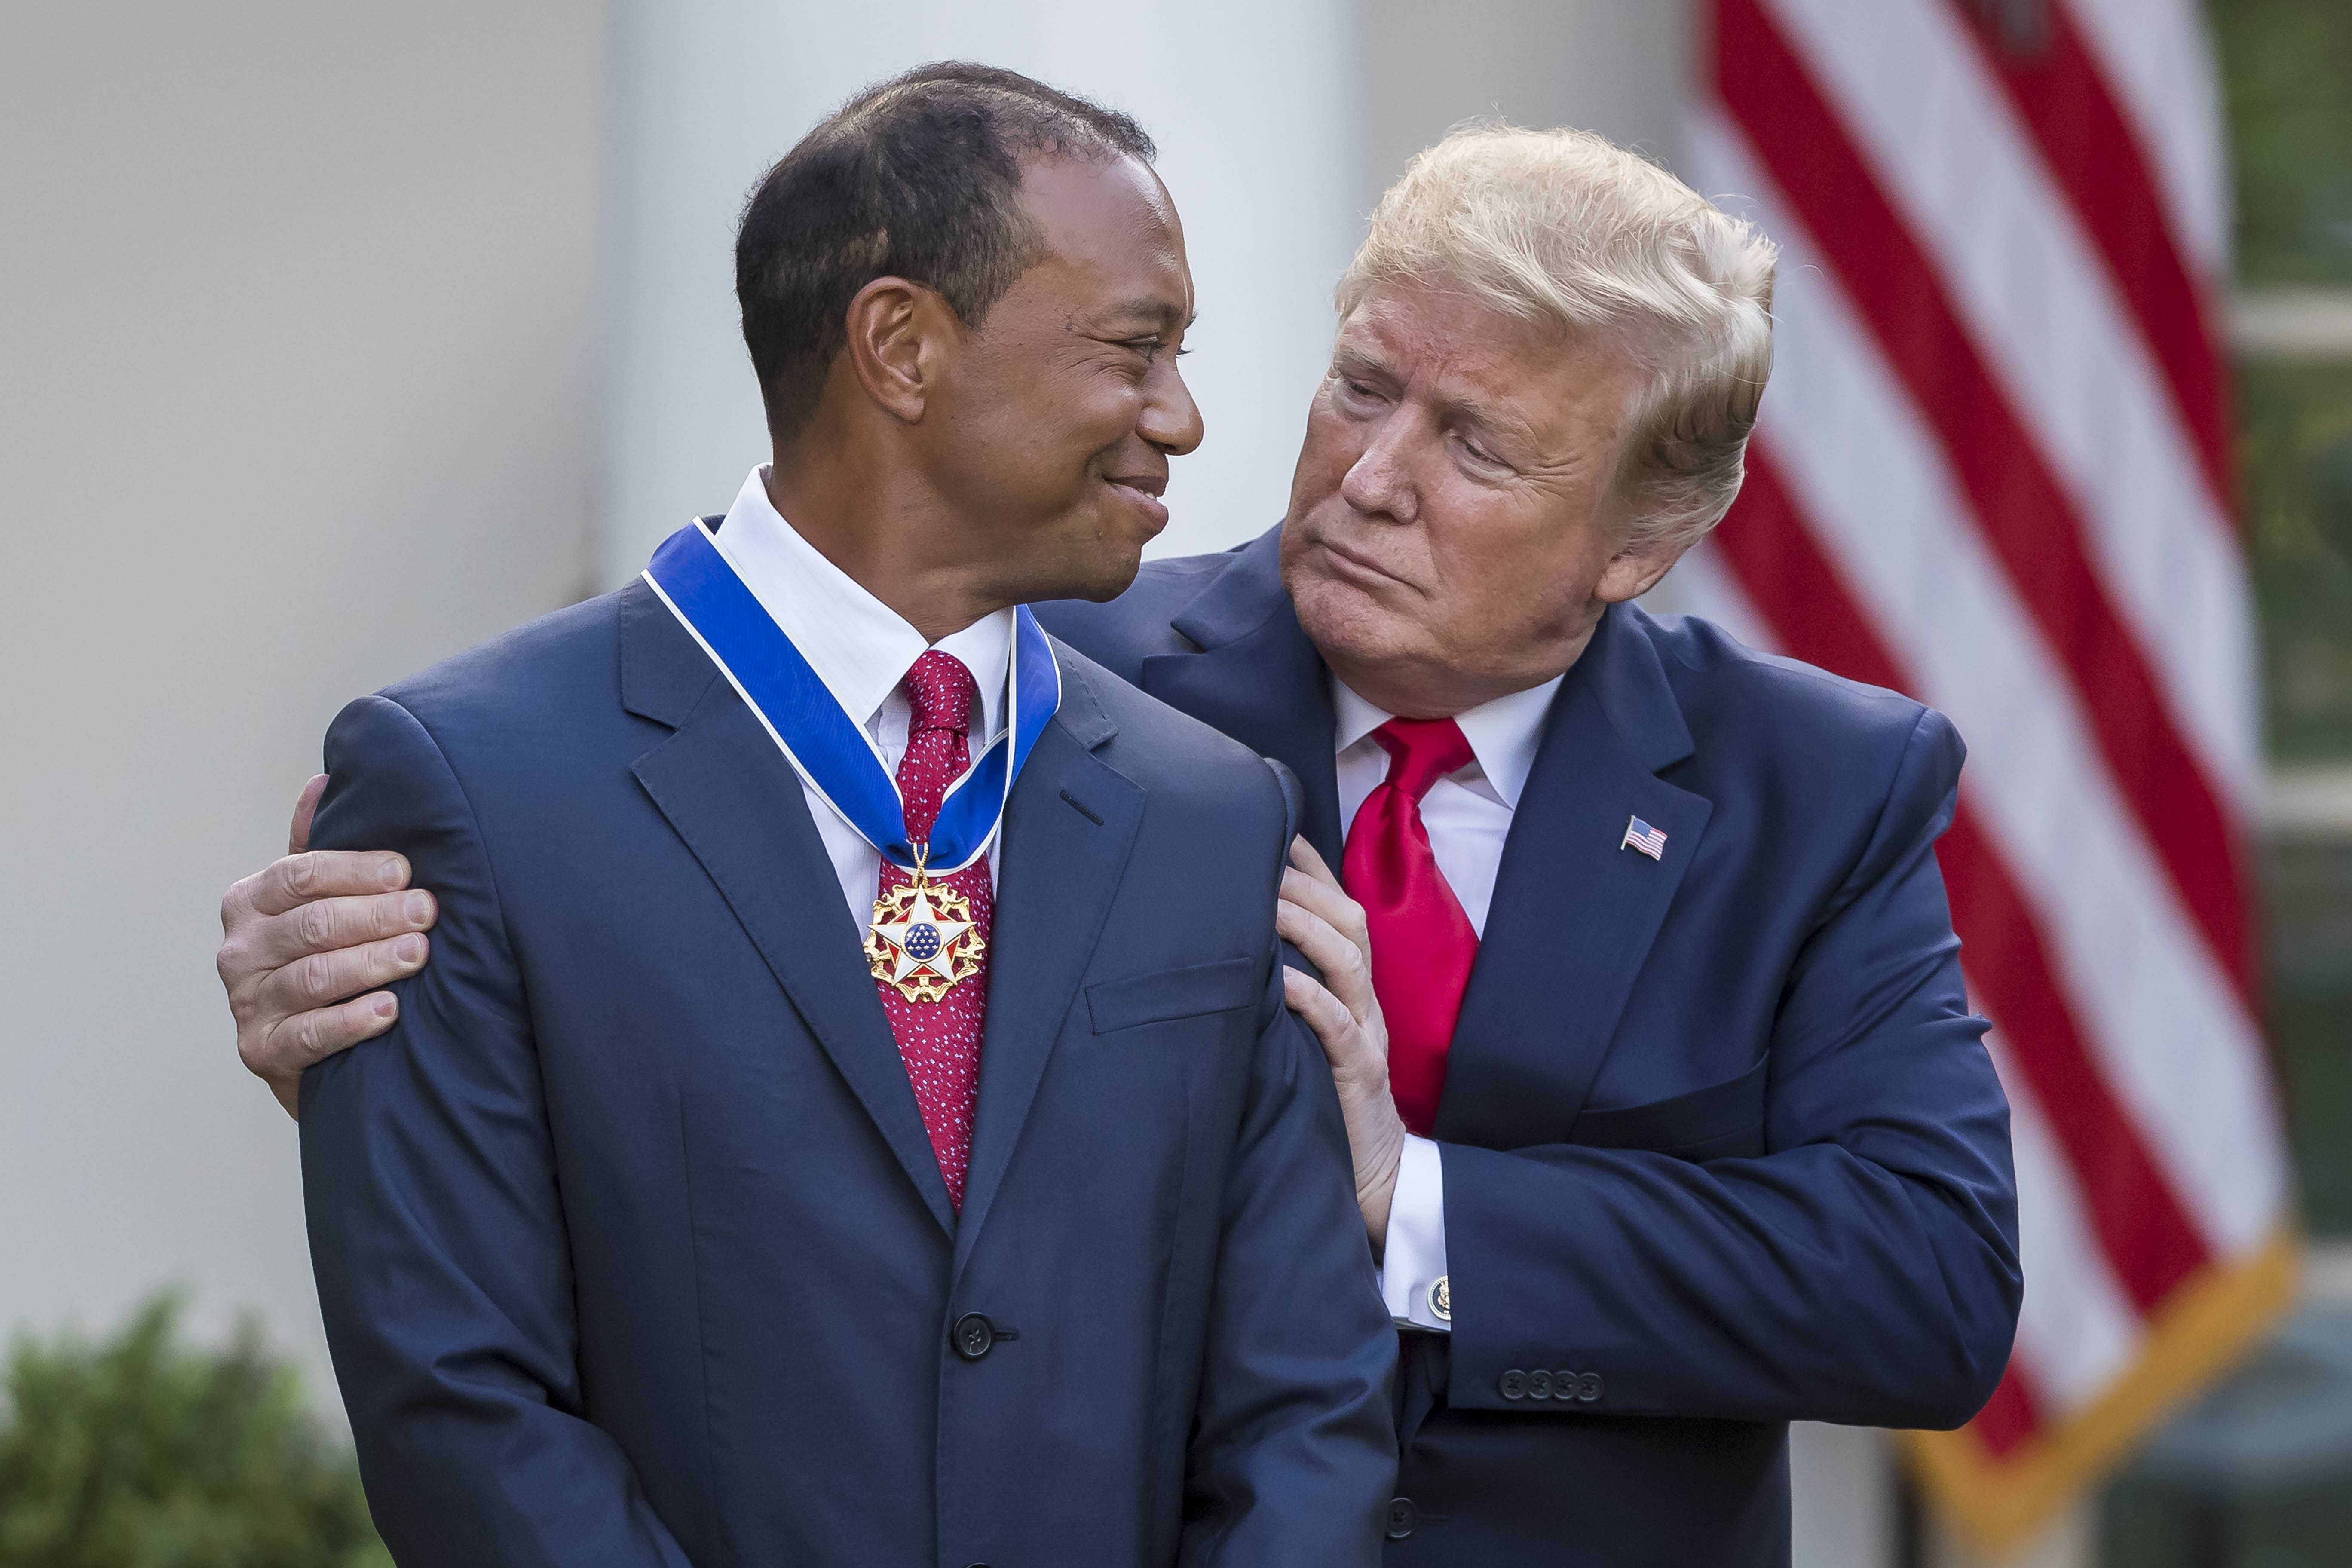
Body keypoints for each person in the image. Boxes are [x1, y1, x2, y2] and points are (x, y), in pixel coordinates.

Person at [221, 121, 2022, 1566]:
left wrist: (1413, 1206)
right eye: (1365, 385)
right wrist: (402, 1024)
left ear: (1646, 536)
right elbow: (657, 953)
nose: (1371, 472)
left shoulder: (1818, 789)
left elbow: (1927, 1292)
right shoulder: (1022, 669)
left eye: (1478, 444)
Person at [238, 64, 1398, 1568]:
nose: (1180, 417)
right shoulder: (469, 785)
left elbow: (1304, 1412)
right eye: (1136, 350)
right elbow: (463, 1407)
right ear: (900, 346)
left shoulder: (1211, 814)